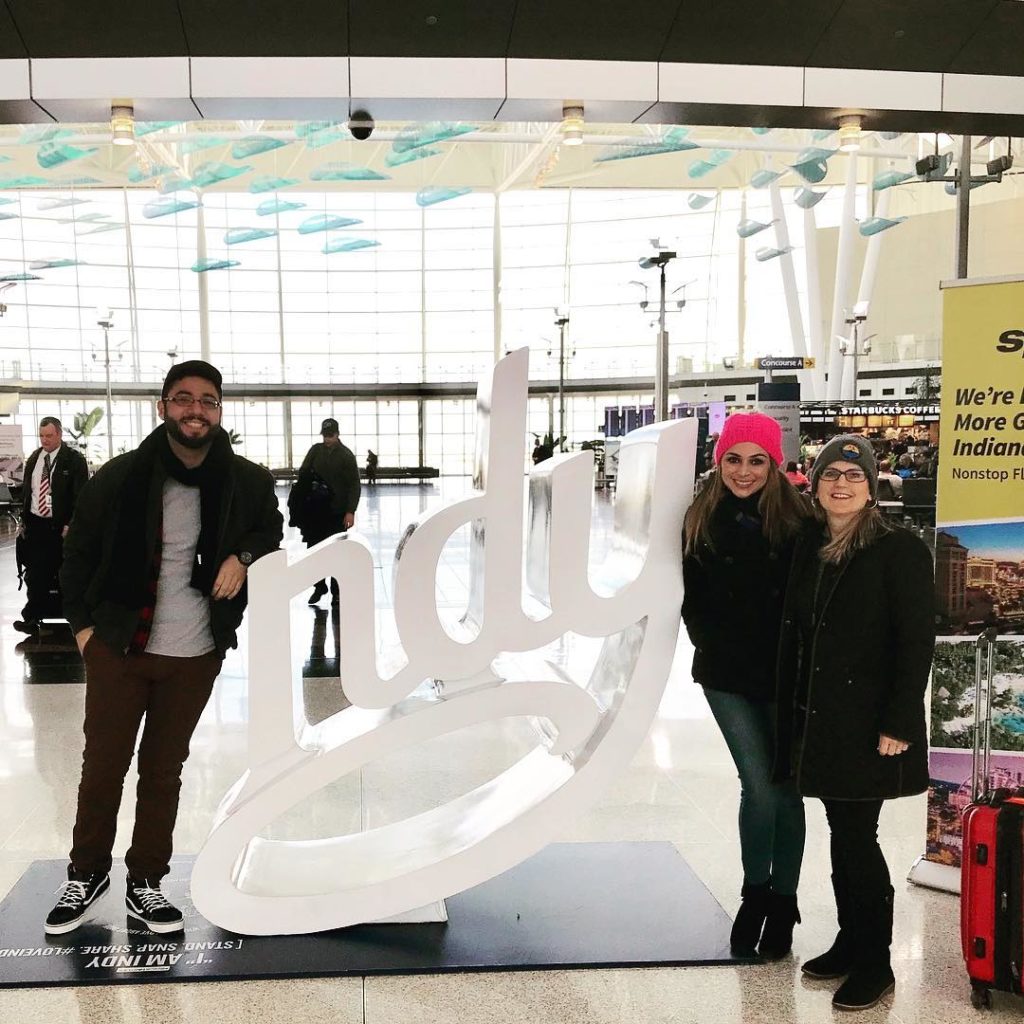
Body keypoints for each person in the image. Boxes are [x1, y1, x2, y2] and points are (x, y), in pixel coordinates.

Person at [45, 360, 283, 936]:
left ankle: (145, 881)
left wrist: (242, 557)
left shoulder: (246, 481)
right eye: (183, 399)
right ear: (163, 407)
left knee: (163, 770)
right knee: (102, 766)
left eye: (207, 400)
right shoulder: (121, 476)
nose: (195, 409)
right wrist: (83, 631)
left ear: (219, 410)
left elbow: (270, 529)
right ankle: (86, 873)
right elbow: (76, 557)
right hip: (119, 648)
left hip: (196, 652)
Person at [774, 435, 934, 1011]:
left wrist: (899, 720)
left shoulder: (899, 550)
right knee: (842, 830)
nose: (841, 484)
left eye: (854, 475)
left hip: (871, 723)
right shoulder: (809, 545)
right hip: (821, 717)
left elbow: (916, 642)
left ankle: (876, 963)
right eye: (830, 474)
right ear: (814, 484)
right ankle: (850, 941)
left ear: (872, 487)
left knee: (857, 838)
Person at [682, 412, 810, 959]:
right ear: (719, 461)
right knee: (758, 786)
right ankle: (755, 893)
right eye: (733, 459)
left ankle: (784, 901)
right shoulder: (697, 519)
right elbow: (688, 598)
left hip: (788, 677)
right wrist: (709, 642)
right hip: (727, 676)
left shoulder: (801, 522)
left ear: (774, 465)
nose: (744, 471)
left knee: (788, 789)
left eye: (757, 460)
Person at [14, 416, 88, 635]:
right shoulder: (35, 458)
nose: (44, 440)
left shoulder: (73, 460)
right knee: (35, 574)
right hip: (37, 525)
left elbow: (81, 496)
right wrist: (25, 521)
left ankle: (77, 619)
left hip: (61, 528)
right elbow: (29, 492)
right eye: (41, 436)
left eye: (49, 436)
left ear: (59, 435)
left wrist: (71, 524)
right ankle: (32, 617)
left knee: (67, 575)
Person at [288, 417, 360, 605]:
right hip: (315, 511)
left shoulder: (346, 455)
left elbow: (354, 484)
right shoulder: (315, 451)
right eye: (325, 435)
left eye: (330, 435)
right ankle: (320, 587)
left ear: (337, 434)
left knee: (336, 552)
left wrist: (350, 511)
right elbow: (303, 472)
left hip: (336, 511)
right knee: (314, 550)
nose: (327, 439)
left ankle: (337, 592)